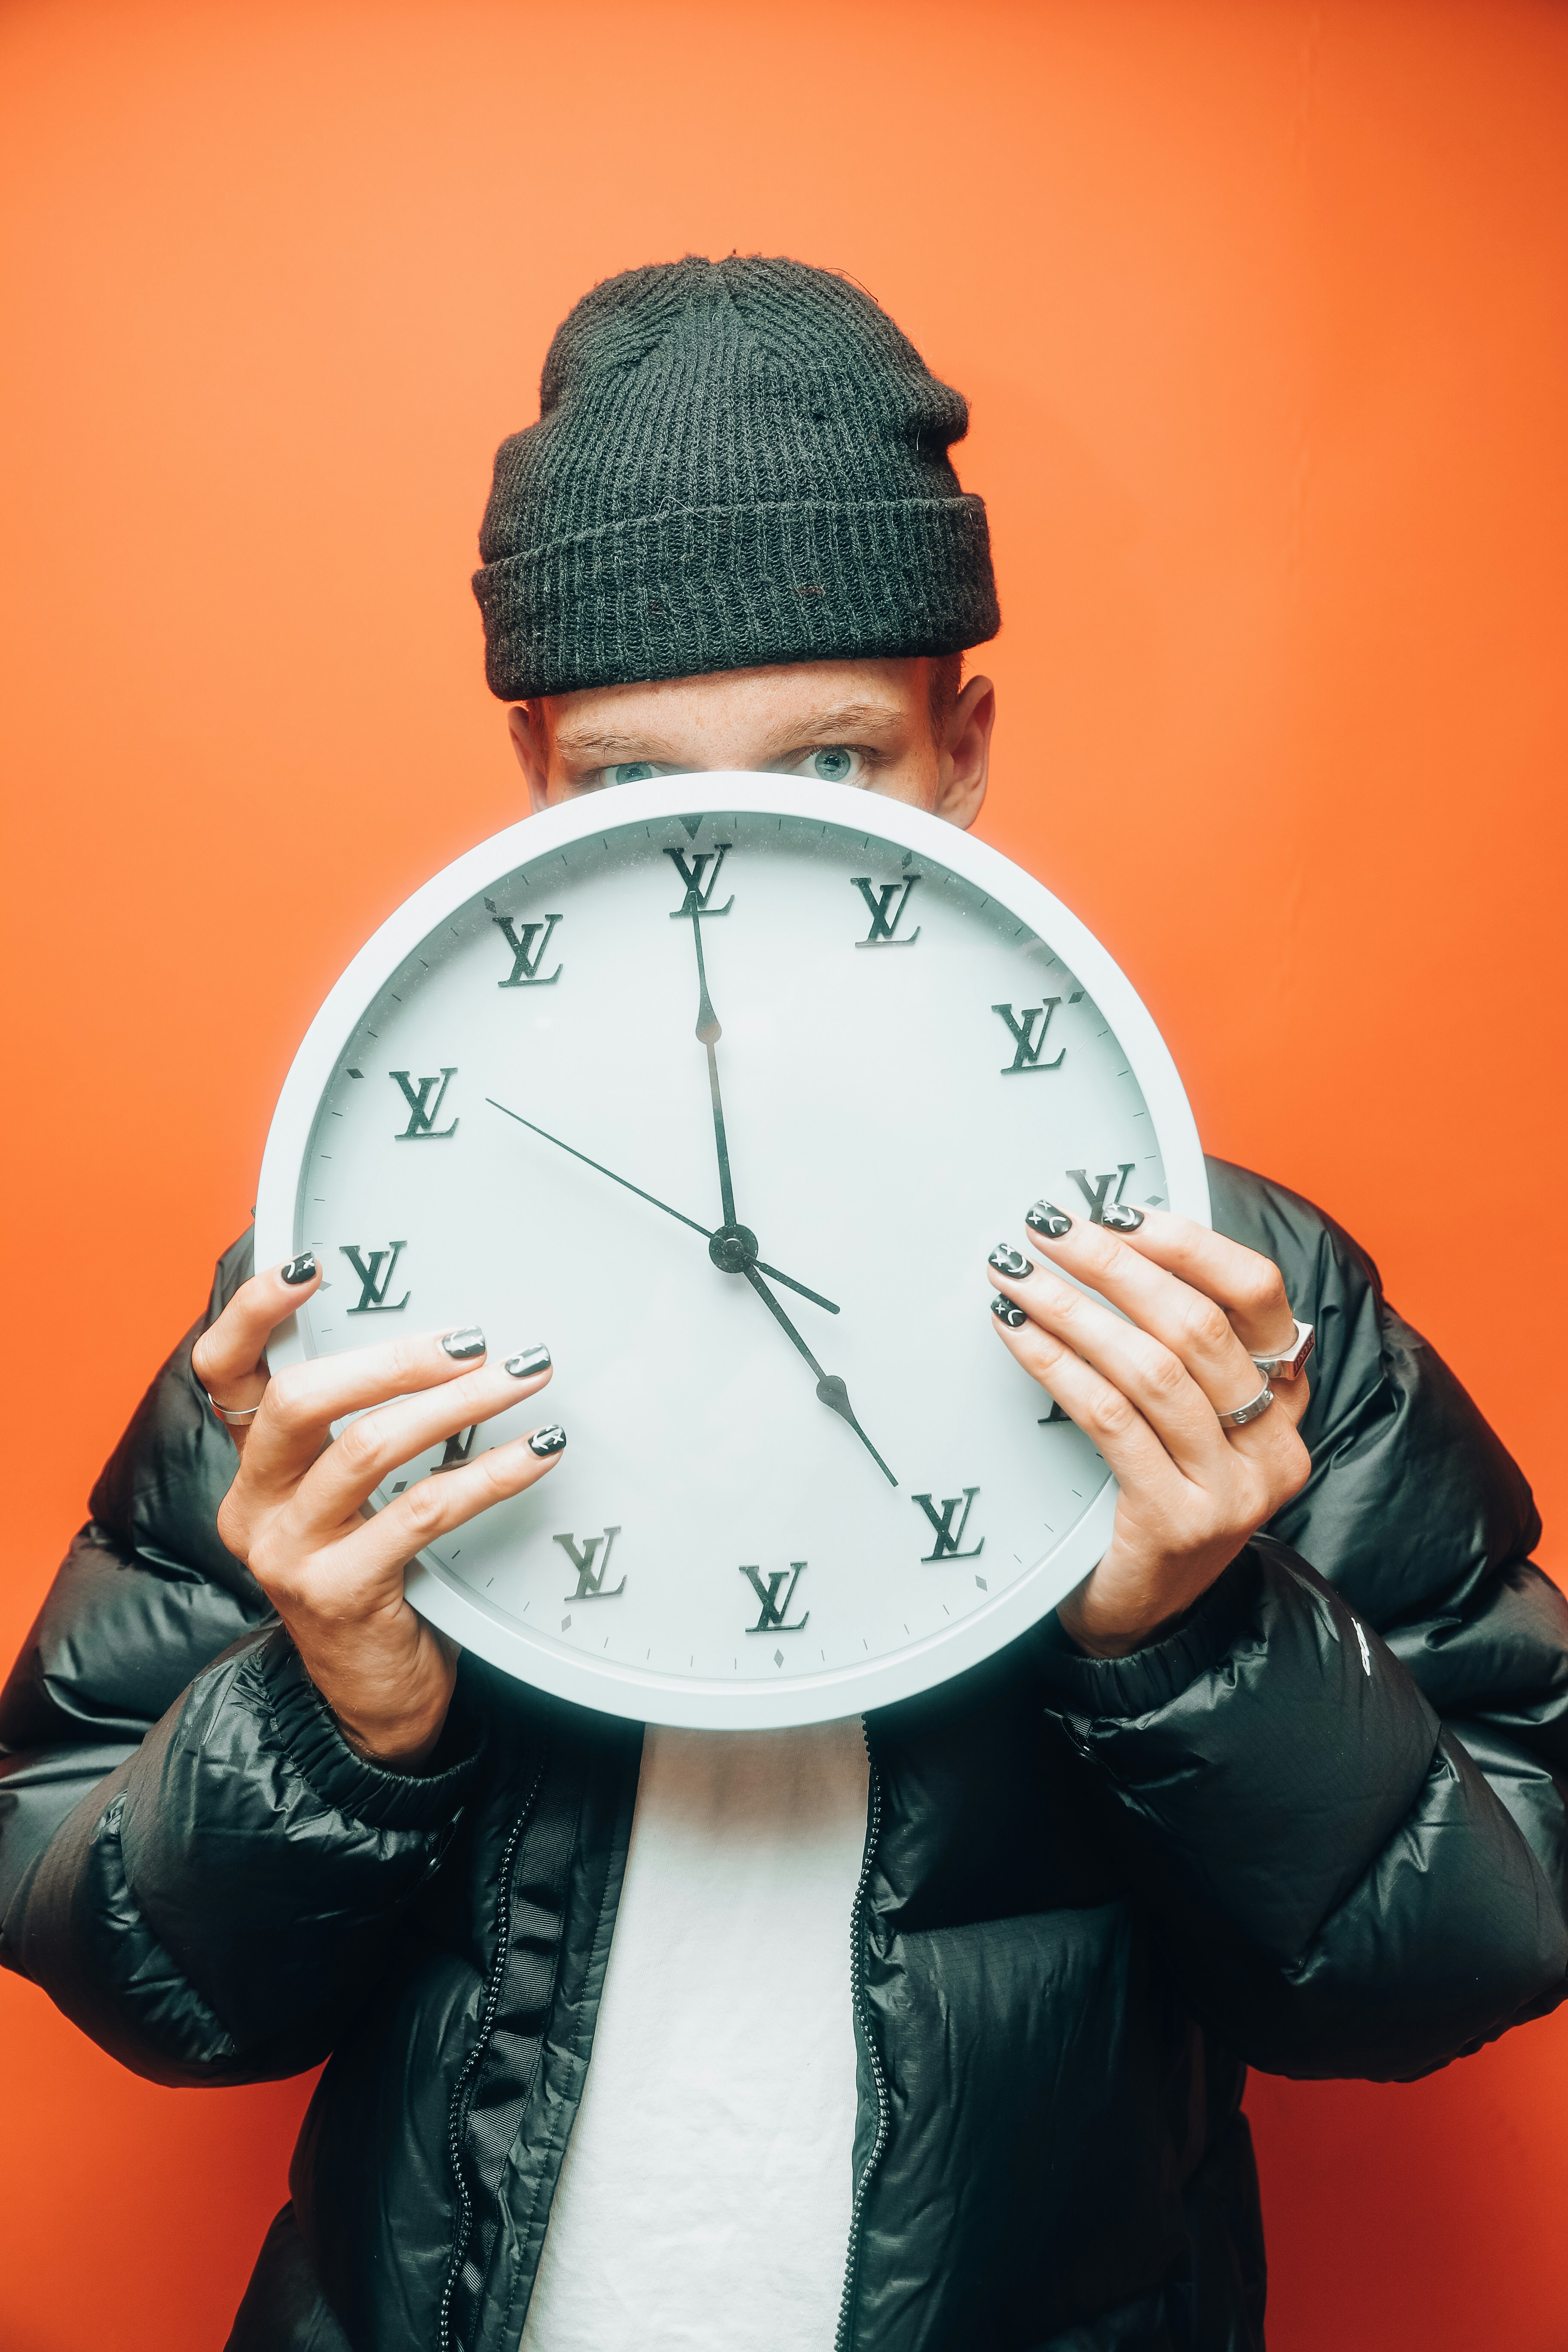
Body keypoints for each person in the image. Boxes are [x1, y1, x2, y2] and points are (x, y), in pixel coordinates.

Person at [1, 255, 1564, 2352]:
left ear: (962, 755)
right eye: (631, 786)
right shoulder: (342, 1290)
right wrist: (335, 1711)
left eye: (829, 765)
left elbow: (1469, 1946)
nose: (725, 865)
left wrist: (1196, 1638)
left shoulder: (1227, 1297)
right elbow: (136, 1976)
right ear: (534, 779)